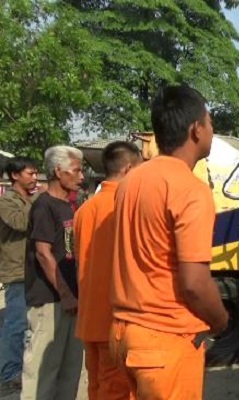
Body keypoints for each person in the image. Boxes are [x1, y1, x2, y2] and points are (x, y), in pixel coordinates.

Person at [110, 85, 229, 399]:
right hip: (165, 340)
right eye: (211, 123)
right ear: (196, 130)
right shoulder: (190, 189)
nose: (213, 132)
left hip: (124, 334)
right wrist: (219, 320)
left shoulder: (130, 182)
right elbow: (194, 283)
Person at [74, 141, 142, 400]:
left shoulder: (84, 210)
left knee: (97, 387)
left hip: (90, 316)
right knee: (117, 390)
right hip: (114, 320)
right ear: (127, 169)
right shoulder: (124, 207)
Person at [22, 146, 84, 400]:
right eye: (77, 170)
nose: (81, 176)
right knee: (42, 370)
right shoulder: (43, 206)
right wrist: (65, 293)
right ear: (58, 171)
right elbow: (43, 253)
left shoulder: (67, 206)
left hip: (70, 300)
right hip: (50, 300)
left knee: (70, 369)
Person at [0, 157, 38, 395]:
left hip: (32, 270)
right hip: (16, 271)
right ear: (15, 176)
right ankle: (9, 373)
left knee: (29, 324)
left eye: (35, 174)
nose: (34, 178)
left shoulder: (27, 199)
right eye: (30, 174)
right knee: (15, 324)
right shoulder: (7, 202)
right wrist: (37, 200)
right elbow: (21, 222)